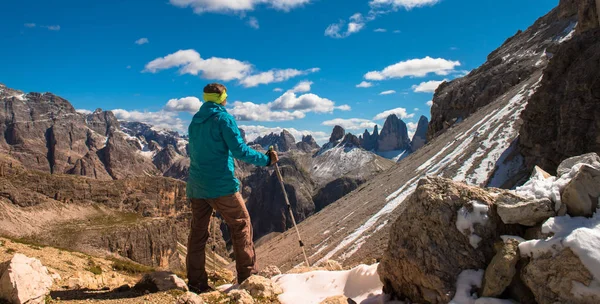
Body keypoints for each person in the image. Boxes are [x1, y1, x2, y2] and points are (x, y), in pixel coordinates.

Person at [186, 83, 279, 293]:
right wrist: (266, 160)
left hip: (196, 186)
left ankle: (196, 283)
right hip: (221, 185)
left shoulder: (195, 121)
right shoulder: (223, 119)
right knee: (241, 225)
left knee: (198, 233)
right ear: (221, 98)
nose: (227, 98)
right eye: (226, 95)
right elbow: (239, 150)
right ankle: (247, 279)